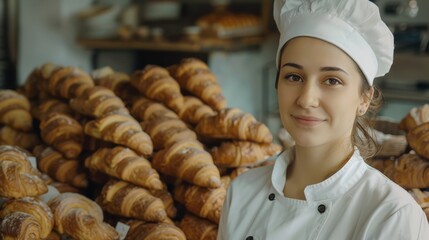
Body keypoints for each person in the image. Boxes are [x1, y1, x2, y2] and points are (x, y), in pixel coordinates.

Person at [217, 0, 429, 239]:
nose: (307, 99)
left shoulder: (391, 215)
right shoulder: (242, 193)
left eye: (332, 80)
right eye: (294, 76)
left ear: (364, 99)